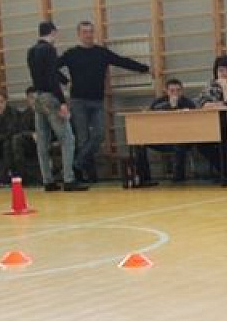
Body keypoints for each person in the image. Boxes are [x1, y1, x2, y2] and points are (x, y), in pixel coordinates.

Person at [59, 20, 150, 183]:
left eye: (90, 31)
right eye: (85, 32)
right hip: (78, 100)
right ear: (79, 34)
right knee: (82, 139)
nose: (88, 35)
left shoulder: (101, 53)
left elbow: (121, 61)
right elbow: (52, 68)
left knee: (99, 134)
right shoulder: (71, 54)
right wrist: (65, 81)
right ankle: (84, 175)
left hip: (97, 100)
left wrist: (145, 68)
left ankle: (76, 164)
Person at [27, 21, 86, 192]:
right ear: (53, 32)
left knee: (42, 141)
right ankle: (69, 179)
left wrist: (65, 80)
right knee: (67, 138)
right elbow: (52, 76)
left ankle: (47, 180)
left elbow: (43, 73)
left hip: (37, 96)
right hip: (50, 97)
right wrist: (62, 102)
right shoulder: (49, 50)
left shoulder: (32, 51)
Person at [134, 78, 195, 184]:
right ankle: (145, 178)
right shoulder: (159, 102)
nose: (175, 93)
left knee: (180, 143)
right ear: (166, 91)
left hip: (183, 138)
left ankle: (178, 178)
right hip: (161, 138)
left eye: (178, 90)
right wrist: (169, 106)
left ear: (182, 91)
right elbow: (151, 114)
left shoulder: (188, 102)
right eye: (172, 91)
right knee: (139, 143)